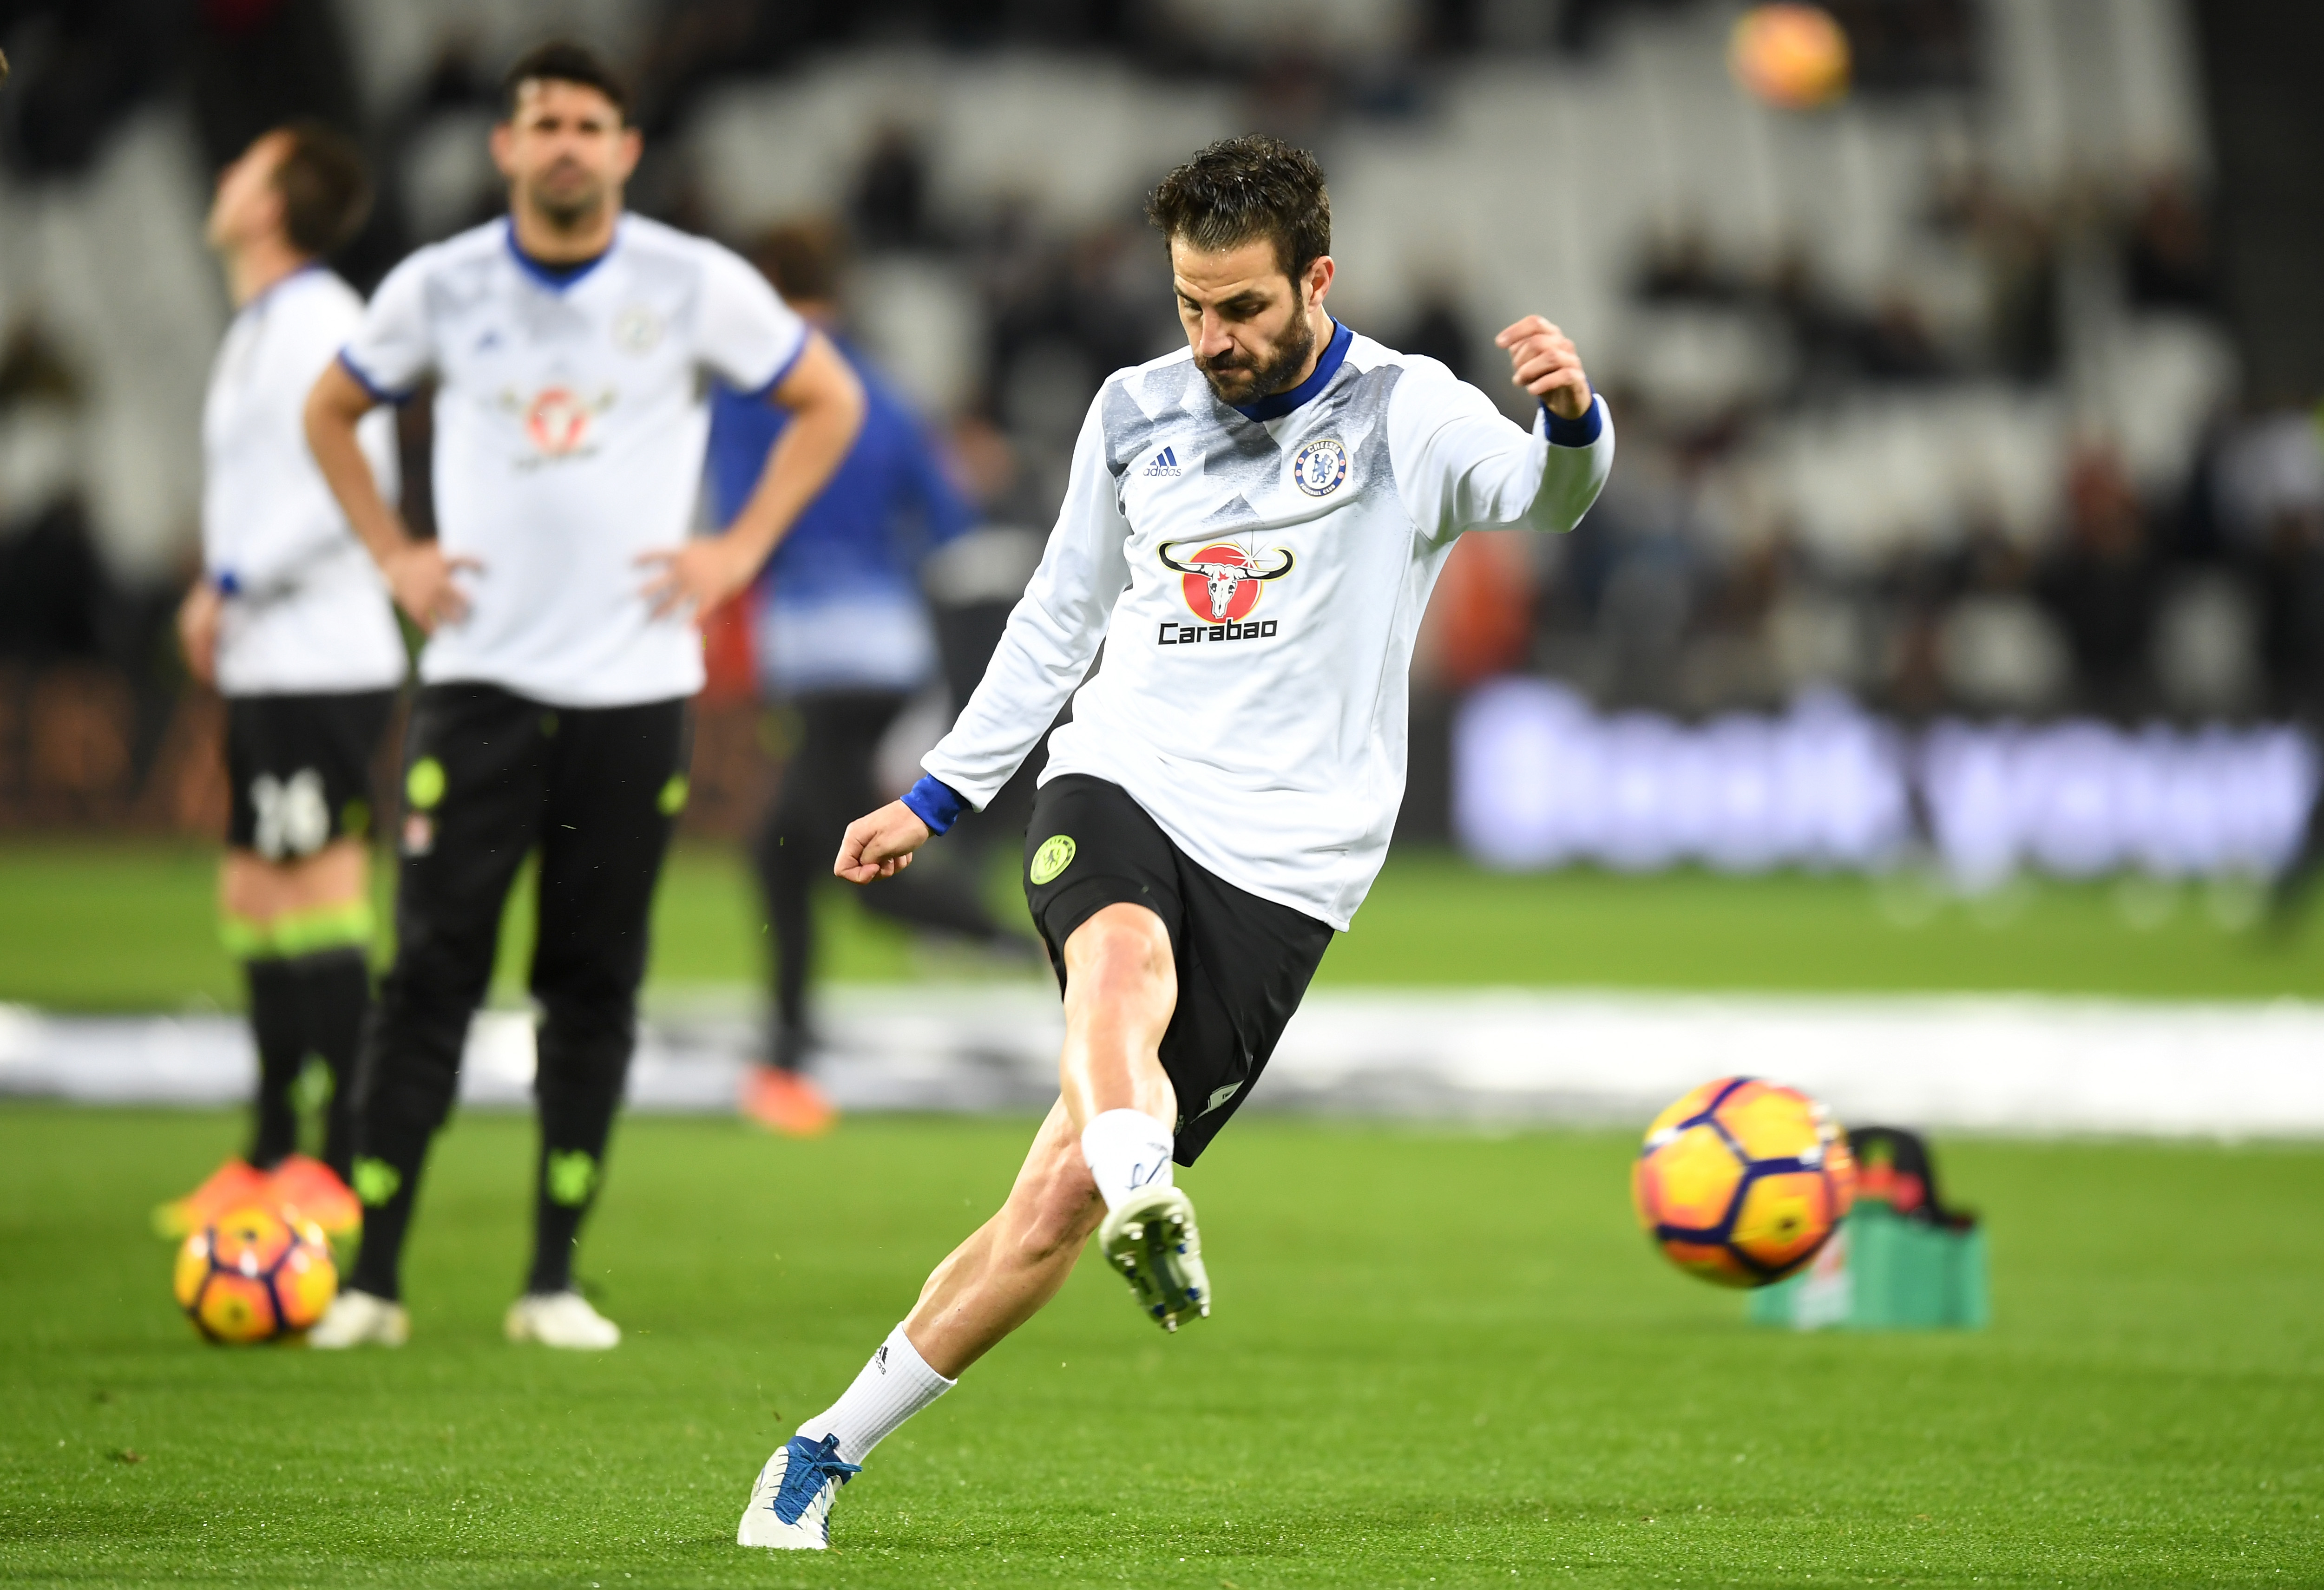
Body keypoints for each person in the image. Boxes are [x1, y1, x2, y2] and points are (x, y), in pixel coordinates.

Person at [736, 133, 1613, 1550]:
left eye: (1243, 309)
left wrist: (1573, 421)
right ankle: (1153, 1184)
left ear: (1316, 280)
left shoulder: (1407, 411)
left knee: (1044, 1210)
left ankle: (825, 1443)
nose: (1211, 339)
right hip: (1122, 772)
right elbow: (1055, 619)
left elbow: (1537, 495)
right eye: (1190, 307)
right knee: (1118, 967)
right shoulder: (1132, 411)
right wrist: (938, 796)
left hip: (1290, 859)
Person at [298, 41, 865, 1350]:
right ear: (504, 147)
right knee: (430, 974)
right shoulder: (441, 286)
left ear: (625, 150)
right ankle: (374, 1283)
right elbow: (334, 409)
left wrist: (737, 549)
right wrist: (394, 554)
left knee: (592, 983)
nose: (564, 143)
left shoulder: (690, 283)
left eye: (588, 124)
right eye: (542, 121)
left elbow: (824, 398)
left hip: (632, 689)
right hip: (479, 682)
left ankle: (551, 1279)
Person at [705, 220, 1024, 1138]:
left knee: (820, 853)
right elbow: (953, 521)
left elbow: (737, 520)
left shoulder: (752, 394)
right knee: (797, 849)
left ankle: (1013, 943)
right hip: (888, 654)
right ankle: (789, 1045)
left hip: (809, 659)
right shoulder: (883, 396)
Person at [157, 122, 398, 1246]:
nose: (221, 179)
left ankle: (337, 1161)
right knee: (256, 895)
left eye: (241, 166)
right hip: (269, 657)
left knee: (319, 892)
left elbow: (361, 477)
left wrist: (234, 578)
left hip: (324, 654)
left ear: (272, 203)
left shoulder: (326, 324)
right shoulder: (263, 325)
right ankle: (266, 1149)